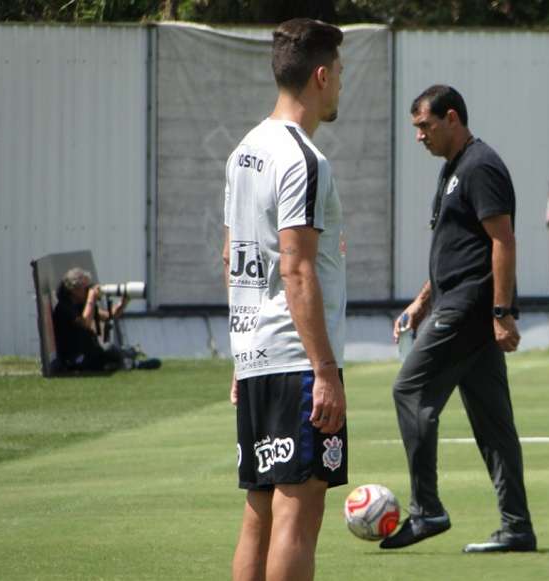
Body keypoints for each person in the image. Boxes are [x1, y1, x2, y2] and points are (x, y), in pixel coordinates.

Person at [381, 85, 537, 553]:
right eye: (416, 129)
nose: (419, 136)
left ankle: (426, 510)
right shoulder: (454, 169)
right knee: (494, 425)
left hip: (470, 310)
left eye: (424, 126)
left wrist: (502, 312)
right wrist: (421, 301)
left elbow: (502, 241)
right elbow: (459, 249)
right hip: (457, 305)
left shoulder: (480, 166)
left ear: (452, 118)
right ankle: (517, 528)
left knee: (408, 389)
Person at [222, 18, 347, 581]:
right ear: (320, 76)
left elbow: (232, 256)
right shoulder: (303, 159)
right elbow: (296, 270)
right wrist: (325, 370)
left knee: (260, 511)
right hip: (297, 361)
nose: (341, 85)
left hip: (256, 355)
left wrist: (240, 354)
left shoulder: (244, 151)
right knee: (299, 510)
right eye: (340, 73)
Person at [52, 267, 129, 372]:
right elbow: (85, 324)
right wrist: (91, 298)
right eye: (86, 288)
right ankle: (127, 364)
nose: (89, 290)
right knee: (109, 349)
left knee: (112, 350)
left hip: (88, 351)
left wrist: (124, 301)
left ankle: (127, 362)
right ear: (74, 289)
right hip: (75, 358)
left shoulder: (81, 304)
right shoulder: (64, 308)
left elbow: (108, 316)